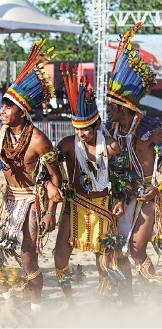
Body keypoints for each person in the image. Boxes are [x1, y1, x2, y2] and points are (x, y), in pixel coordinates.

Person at [0, 40, 62, 313]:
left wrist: (50, 212)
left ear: (22, 111)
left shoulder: (39, 140)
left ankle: (36, 312)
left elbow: (56, 177)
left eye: (8, 107)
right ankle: (9, 300)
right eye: (2, 106)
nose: (2, 110)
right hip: (9, 200)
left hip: (32, 202)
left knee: (28, 259)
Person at [52, 68, 125, 306]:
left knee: (104, 261)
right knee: (60, 255)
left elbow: (121, 178)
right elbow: (48, 166)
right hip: (74, 204)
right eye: (77, 129)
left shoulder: (111, 147)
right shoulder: (67, 144)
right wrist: (50, 185)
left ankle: (106, 304)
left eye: (86, 129)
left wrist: (121, 201)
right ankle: (69, 303)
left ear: (96, 127)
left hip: (103, 205)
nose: (81, 134)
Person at [103, 23, 162, 300]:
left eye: (112, 105)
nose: (108, 109)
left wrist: (158, 188)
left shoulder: (150, 130)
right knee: (117, 248)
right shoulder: (108, 130)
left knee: (137, 249)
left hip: (149, 194)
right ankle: (126, 300)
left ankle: (152, 299)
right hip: (122, 195)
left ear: (124, 107)